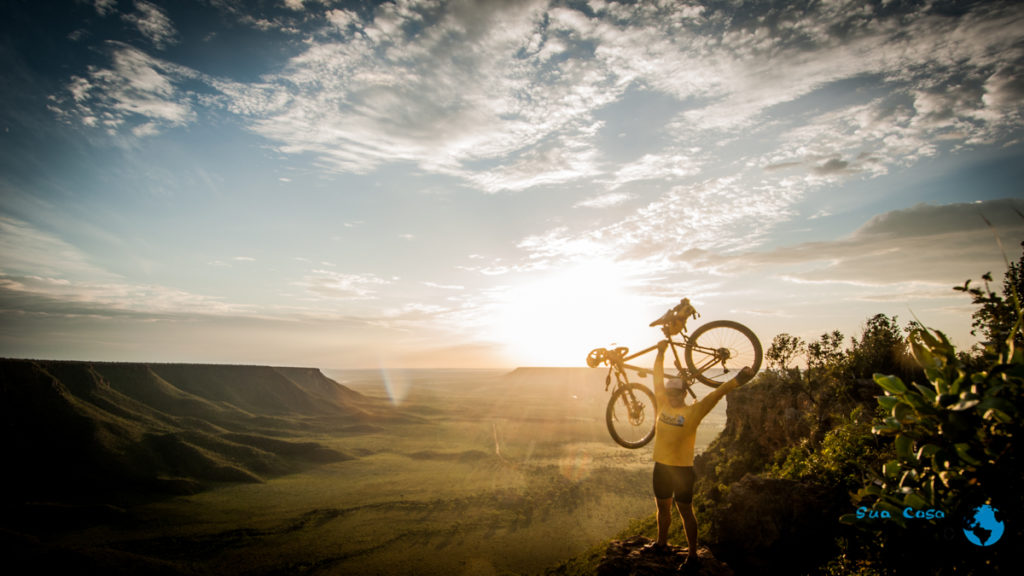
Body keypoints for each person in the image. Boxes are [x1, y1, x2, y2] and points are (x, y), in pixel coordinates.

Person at [646, 339, 754, 567]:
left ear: (684, 393)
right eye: (670, 392)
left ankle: (692, 555)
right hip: (661, 467)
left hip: (683, 470)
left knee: (685, 511)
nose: (672, 396)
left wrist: (739, 380)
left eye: (677, 393)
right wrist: (660, 352)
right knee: (662, 508)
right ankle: (661, 544)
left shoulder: (694, 411)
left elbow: (716, 394)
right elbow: (657, 376)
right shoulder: (662, 403)